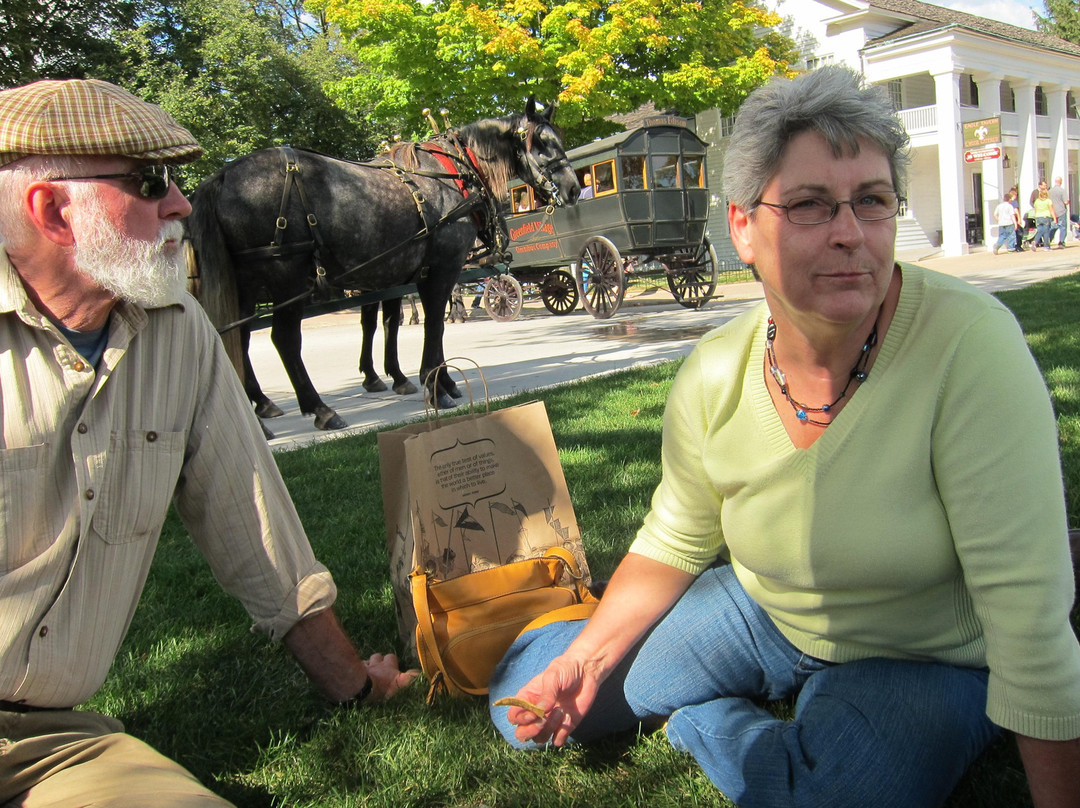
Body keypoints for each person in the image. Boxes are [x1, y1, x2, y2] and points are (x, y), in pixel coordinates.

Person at [489, 66, 1080, 808]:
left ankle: (709, 722)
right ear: (743, 227)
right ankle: (730, 703)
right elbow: (675, 537)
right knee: (526, 700)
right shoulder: (715, 370)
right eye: (808, 205)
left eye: (872, 200)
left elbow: (1029, 621)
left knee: (832, 796)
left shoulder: (971, 347)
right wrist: (587, 660)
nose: (849, 233)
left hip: (923, 654)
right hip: (762, 613)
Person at [0, 78, 416, 806]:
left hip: (53, 744)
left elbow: (254, 529)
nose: (181, 205)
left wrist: (356, 685)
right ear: (54, 211)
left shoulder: (177, 329)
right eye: (148, 182)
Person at [993, 190, 1020, 254]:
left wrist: (998, 220)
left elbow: (995, 214)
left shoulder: (999, 206)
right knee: (1011, 235)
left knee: (1002, 236)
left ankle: (997, 246)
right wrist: (1015, 223)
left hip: (1001, 223)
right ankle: (1011, 249)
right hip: (1009, 223)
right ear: (1009, 199)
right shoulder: (1009, 206)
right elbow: (1012, 215)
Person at [1033, 185, 1057, 252]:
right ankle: (1046, 246)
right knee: (1046, 232)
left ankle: (1035, 241)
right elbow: (1051, 210)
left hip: (1038, 217)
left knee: (1040, 230)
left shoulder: (1036, 201)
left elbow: (1035, 210)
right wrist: (1055, 218)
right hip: (1046, 217)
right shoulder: (1048, 201)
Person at [1050, 177, 1070, 247]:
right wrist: (1068, 202)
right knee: (1063, 227)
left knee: (1053, 227)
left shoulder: (1050, 191)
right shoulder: (1062, 191)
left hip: (1052, 212)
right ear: (1060, 182)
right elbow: (1066, 202)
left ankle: (1048, 240)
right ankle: (1061, 242)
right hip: (1061, 211)